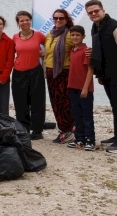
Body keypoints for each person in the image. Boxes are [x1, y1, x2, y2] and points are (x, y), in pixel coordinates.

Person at [86, 0, 117, 154]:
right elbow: (101, 49)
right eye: (90, 12)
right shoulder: (96, 27)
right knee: (115, 106)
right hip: (106, 74)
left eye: (96, 11)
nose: (93, 14)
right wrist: (99, 74)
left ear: (103, 10)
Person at [11, 11, 46, 140]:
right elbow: (8, 53)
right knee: (20, 102)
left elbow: (52, 45)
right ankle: (23, 129)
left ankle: (37, 130)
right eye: (22, 20)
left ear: (30, 21)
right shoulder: (15, 37)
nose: (25, 22)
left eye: (27, 20)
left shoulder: (38, 35)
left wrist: (44, 52)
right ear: (18, 23)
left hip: (35, 71)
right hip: (18, 72)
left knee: (37, 101)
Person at [44, 9, 75, 144]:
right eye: (55, 18)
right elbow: (48, 52)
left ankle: (69, 130)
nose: (58, 20)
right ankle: (63, 128)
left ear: (66, 19)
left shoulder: (69, 34)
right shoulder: (50, 34)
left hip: (64, 72)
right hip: (50, 72)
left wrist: (89, 52)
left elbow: (79, 48)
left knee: (65, 102)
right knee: (55, 102)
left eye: (61, 18)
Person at [66, 25, 95, 151]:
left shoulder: (86, 51)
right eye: (72, 35)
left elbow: (90, 70)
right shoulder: (72, 50)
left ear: (83, 36)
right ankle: (79, 139)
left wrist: (85, 88)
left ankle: (90, 140)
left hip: (84, 89)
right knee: (76, 115)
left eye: (77, 35)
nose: (75, 37)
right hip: (72, 87)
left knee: (86, 115)